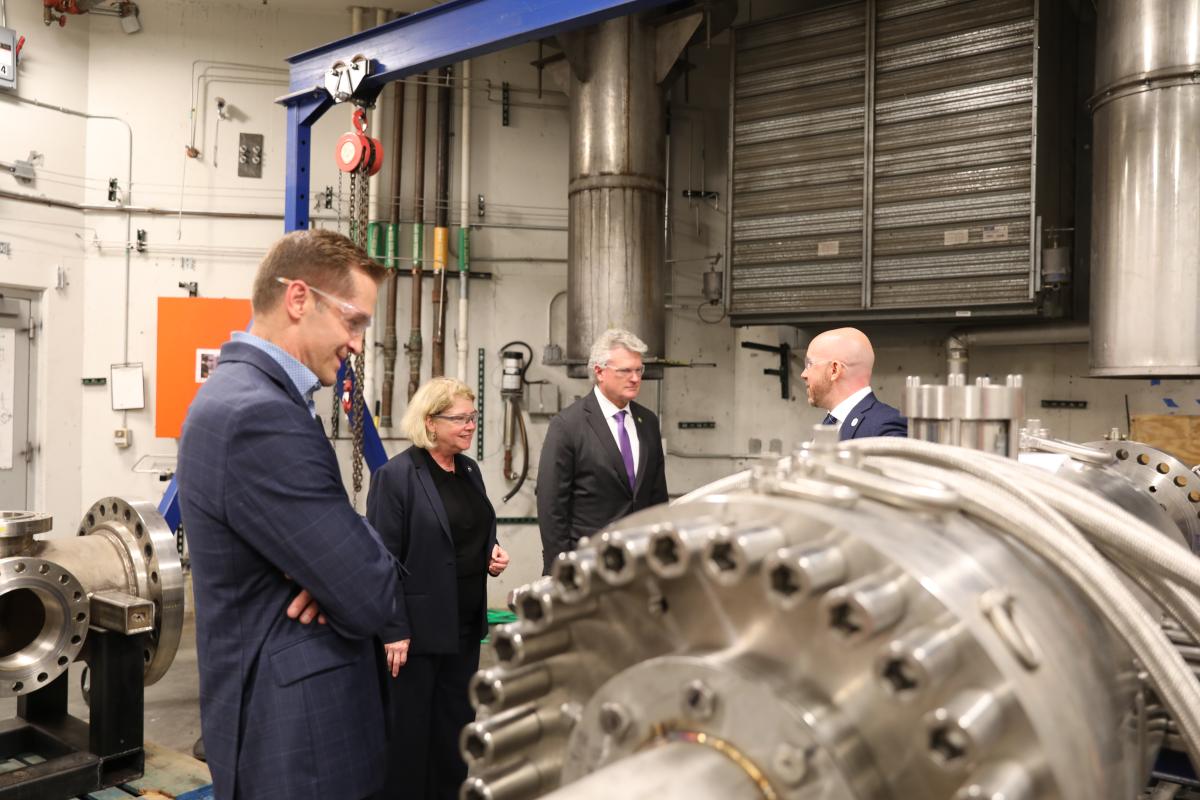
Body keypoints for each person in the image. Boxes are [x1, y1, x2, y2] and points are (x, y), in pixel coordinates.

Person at [177, 229, 401, 800]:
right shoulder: (258, 415)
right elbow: (370, 590)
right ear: (299, 299)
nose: (356, 343)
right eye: (354, 322)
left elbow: (347, 567)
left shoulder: (244, 397)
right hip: (301, 745)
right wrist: (341, 567)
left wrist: (329, 565)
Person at [366, 376, 509, 800]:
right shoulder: (397, 476)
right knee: (409, 736)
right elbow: (382, 560)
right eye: (460, 419)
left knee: (453, 730)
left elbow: (469, 529)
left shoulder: (468, 469)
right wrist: (393, 629)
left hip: (463, 625)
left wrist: (491, 553)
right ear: (430, 422)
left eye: (473, 417)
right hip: (415, 634)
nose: (470, 426)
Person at [536, 328, 669, 574]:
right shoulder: (568, 425)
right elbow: (551, 504)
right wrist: (560, 569)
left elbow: (657, 497)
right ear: (599, 372)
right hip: (588, 565)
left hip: (640, 565)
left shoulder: (647, 422)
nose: (635, 378)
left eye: (639, 370)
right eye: (625, 371)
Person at [800, 326, 907, 440]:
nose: (803, 374)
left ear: (834, 370)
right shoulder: (830, 424)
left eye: (809, 364)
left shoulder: (885, 429)